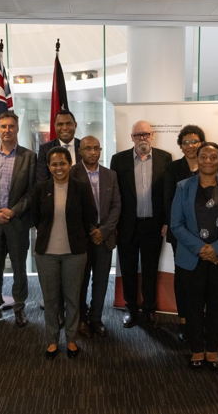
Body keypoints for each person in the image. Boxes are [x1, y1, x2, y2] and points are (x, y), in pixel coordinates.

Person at [170, 142, 218, 371]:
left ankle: (212, 350)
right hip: (191, 258)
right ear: (197, 158)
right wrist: (202, 249)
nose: (208, 161)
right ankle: (196, 350)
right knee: (193, 306)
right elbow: (176, 224)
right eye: (203, 156)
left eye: (213, 157)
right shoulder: (183, 186)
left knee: (217, 306)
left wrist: (217, 248)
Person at [32, 147, 97, 359]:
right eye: (54, 164)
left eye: (63, 163)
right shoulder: (41, 188)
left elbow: (90, 215)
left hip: (74, 253)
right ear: (49, 166)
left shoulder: (81, 188)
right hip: (46, 254)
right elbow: (36, 218)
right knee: (50, 300)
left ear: (70, 164)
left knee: (73, 299)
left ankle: (71, 339)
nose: (59, 168)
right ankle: (52, 340)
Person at [110, 120, 172, 329]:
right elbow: (114, 196)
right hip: (128, 225)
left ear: (152, 135)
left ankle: (149, 308)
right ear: (132, 138)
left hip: (153, 226)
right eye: (138, 135)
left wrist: (166, 221)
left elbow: (167, 195)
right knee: (127, 269)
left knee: (150, 269)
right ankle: (130, 308)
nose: (142, 138)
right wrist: (115, 224)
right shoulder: (118, 160)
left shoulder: (165, 158)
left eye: (145, 134)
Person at [0, 112, 36, 329]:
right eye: (3, 126)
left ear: (17, 128)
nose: (7, 130)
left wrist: (12, 211)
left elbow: (31, 192)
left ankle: (20, 308)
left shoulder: (29, 157)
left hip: (17, 222)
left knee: (20, 268)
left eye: (11, 126)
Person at [71, 136, 121, 338]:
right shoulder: (72, 173)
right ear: (80, 151)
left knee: (101, 281)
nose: (92, 152)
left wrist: (104, 231)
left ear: (100, 151)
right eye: (88, 148)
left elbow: (117, 205)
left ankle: (96, 318)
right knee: (81, 281)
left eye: (96, 148)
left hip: (105, 237)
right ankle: (81, 318)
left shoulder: (111, 175)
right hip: (83, 237)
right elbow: (73, 206)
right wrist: (92, 229)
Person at [164, 124, 205, 341]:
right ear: (180, 146)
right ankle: (183, 322)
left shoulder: (210, 165)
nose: (190, 146)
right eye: (186, 142)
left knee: (203, 278)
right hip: (180, 233)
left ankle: (201, 319)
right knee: (183, 278)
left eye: (195, 141)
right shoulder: (173, 169)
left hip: (208, 234)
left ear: (201, 143)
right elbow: (169, 201)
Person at [36, 110, 82, 182]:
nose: (64, 128)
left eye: (68, 124)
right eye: (60, 124)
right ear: (54, 126)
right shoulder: (45, 149)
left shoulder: (84, 147)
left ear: (75, 125)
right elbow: (42, 181)